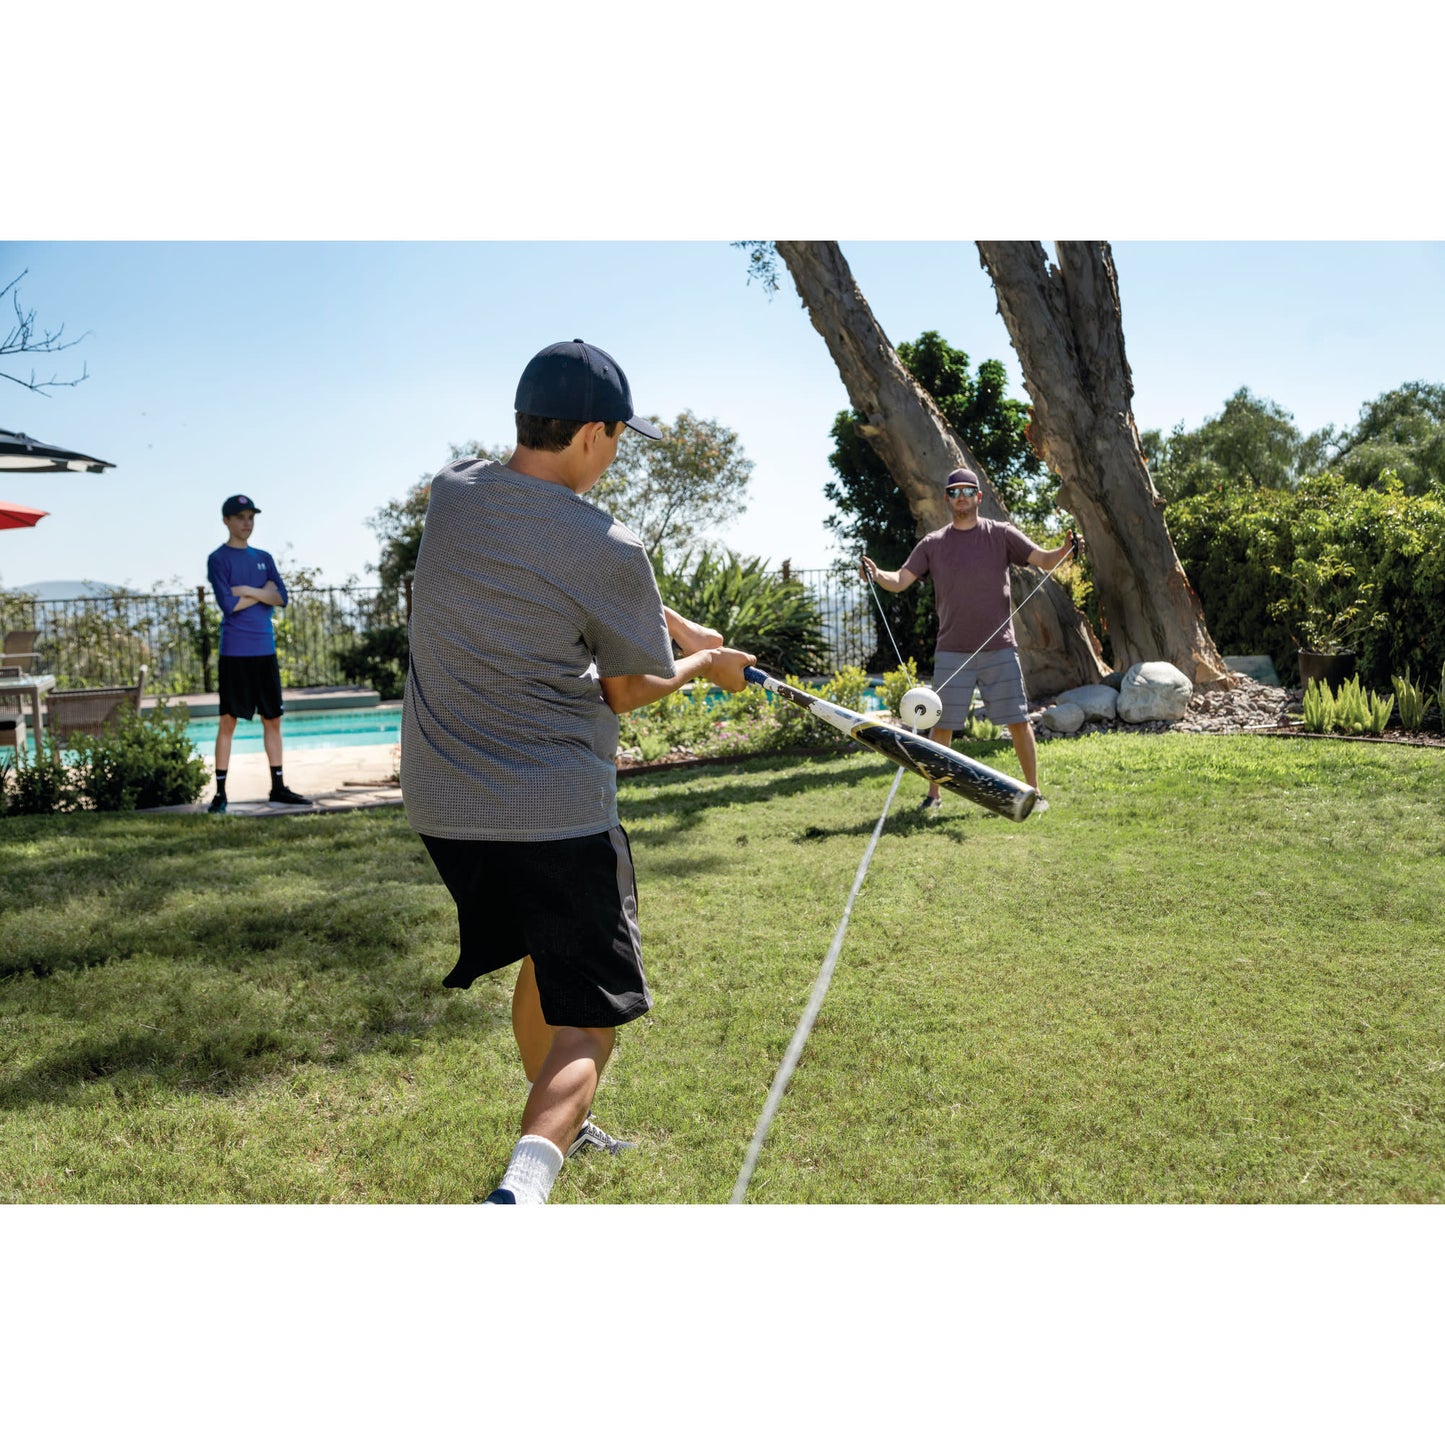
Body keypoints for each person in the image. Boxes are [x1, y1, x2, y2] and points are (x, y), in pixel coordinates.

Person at [401, 339, 755, 1205]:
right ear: (593, 433)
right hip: (552, 812)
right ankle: (521, 1189)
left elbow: (559, 574)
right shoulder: (607, 543)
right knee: (590, 1021)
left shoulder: (454, 492)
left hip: (445, 806)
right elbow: (628, 689)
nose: (617, 456)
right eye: (620, 439)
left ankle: (561, 1120)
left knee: (540, 957)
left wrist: (665, 618)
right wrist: (705, 666)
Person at [859, 467, 1075, 814]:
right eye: (954, 491)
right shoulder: (933, 544)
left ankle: (1034, 793)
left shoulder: (1001, 534)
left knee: (1018, 721)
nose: (961, 496)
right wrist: (876, 574)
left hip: (1000, 647)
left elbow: (1045, 559)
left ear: (979, 497)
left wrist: (1064, 548)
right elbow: (899, 579)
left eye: (967, 490)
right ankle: (934, 796)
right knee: (941, 726)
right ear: (948, 499)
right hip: (951, 650)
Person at [206, 495, 310, 813]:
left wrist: (247, 590)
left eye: (250, 517)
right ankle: (221, 794)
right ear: (226, 521)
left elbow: (281, 597)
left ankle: (278, 788)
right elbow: (229, 605)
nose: (246, 522)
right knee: (228, 722)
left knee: (273, 720)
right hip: (235, 653)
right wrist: (262, 592)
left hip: (265, 649)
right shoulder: (218, 559)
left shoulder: (264, 556)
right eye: (240, 517)